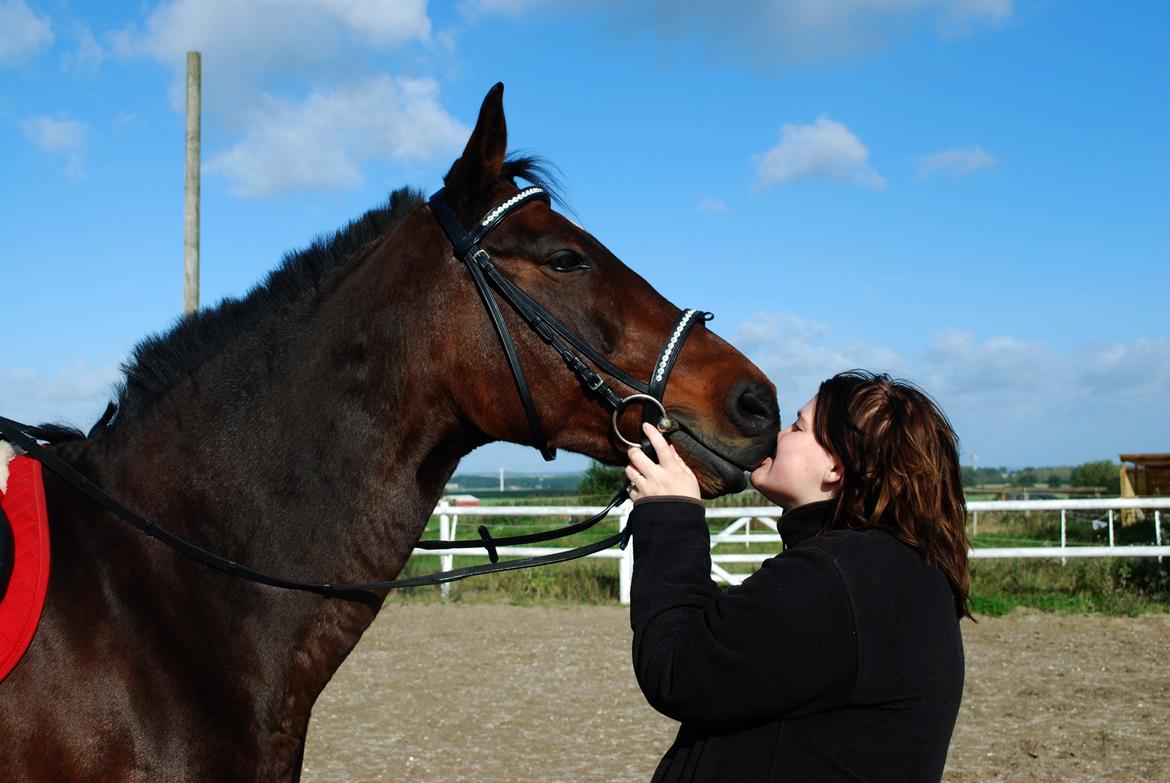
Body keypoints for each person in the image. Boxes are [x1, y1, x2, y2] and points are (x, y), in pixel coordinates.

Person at [623, 370, 970, 783]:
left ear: (837, 468)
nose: (779, 435)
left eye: (798, 426)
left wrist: (670, 516)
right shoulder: (891, 570)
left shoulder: (835, 578)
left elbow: (678, 668)